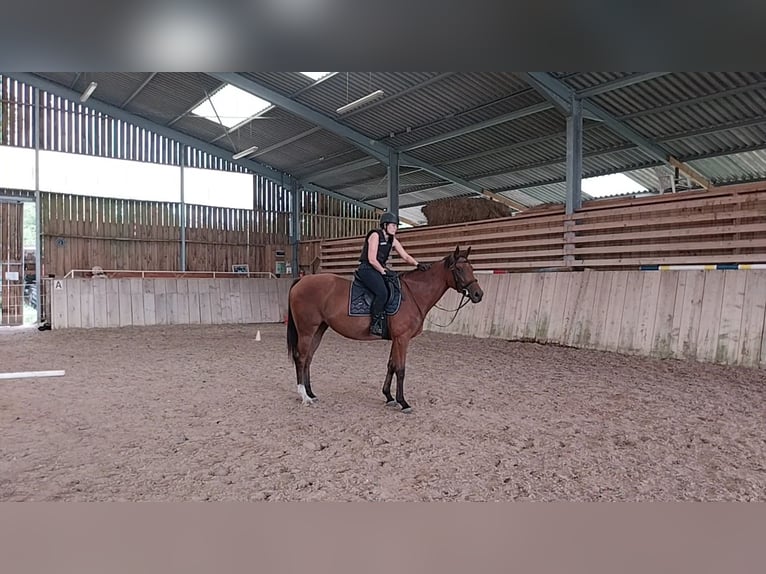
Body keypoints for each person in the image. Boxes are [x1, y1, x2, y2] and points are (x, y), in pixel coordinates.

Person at [357, 212, 430, 336]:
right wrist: (383, 271)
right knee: (382, 292)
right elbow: (372, 259)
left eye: (396, 226)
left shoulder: (392, 240)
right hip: (367, 269)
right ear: (385, 225)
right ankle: (375, 323)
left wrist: (417, 264)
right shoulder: (375, 235)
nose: (395, 228)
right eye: (393, 225)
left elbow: (405, 256)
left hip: (379, 269)